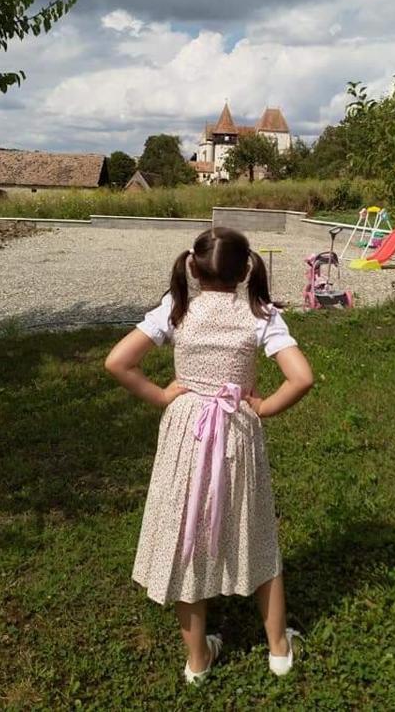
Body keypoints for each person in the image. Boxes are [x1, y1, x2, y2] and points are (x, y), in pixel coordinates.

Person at [104, 226, 314, 683]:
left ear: (194, 270)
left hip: (186, 434)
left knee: (187, 537)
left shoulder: (176, 309)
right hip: (237, 431)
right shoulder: (260, 314)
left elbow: (118, 362)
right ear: (245, 271)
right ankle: (278, 651)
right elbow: (301, 377)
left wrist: (162, 397)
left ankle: (197, 661)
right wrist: (262, 406)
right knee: (255, 529)